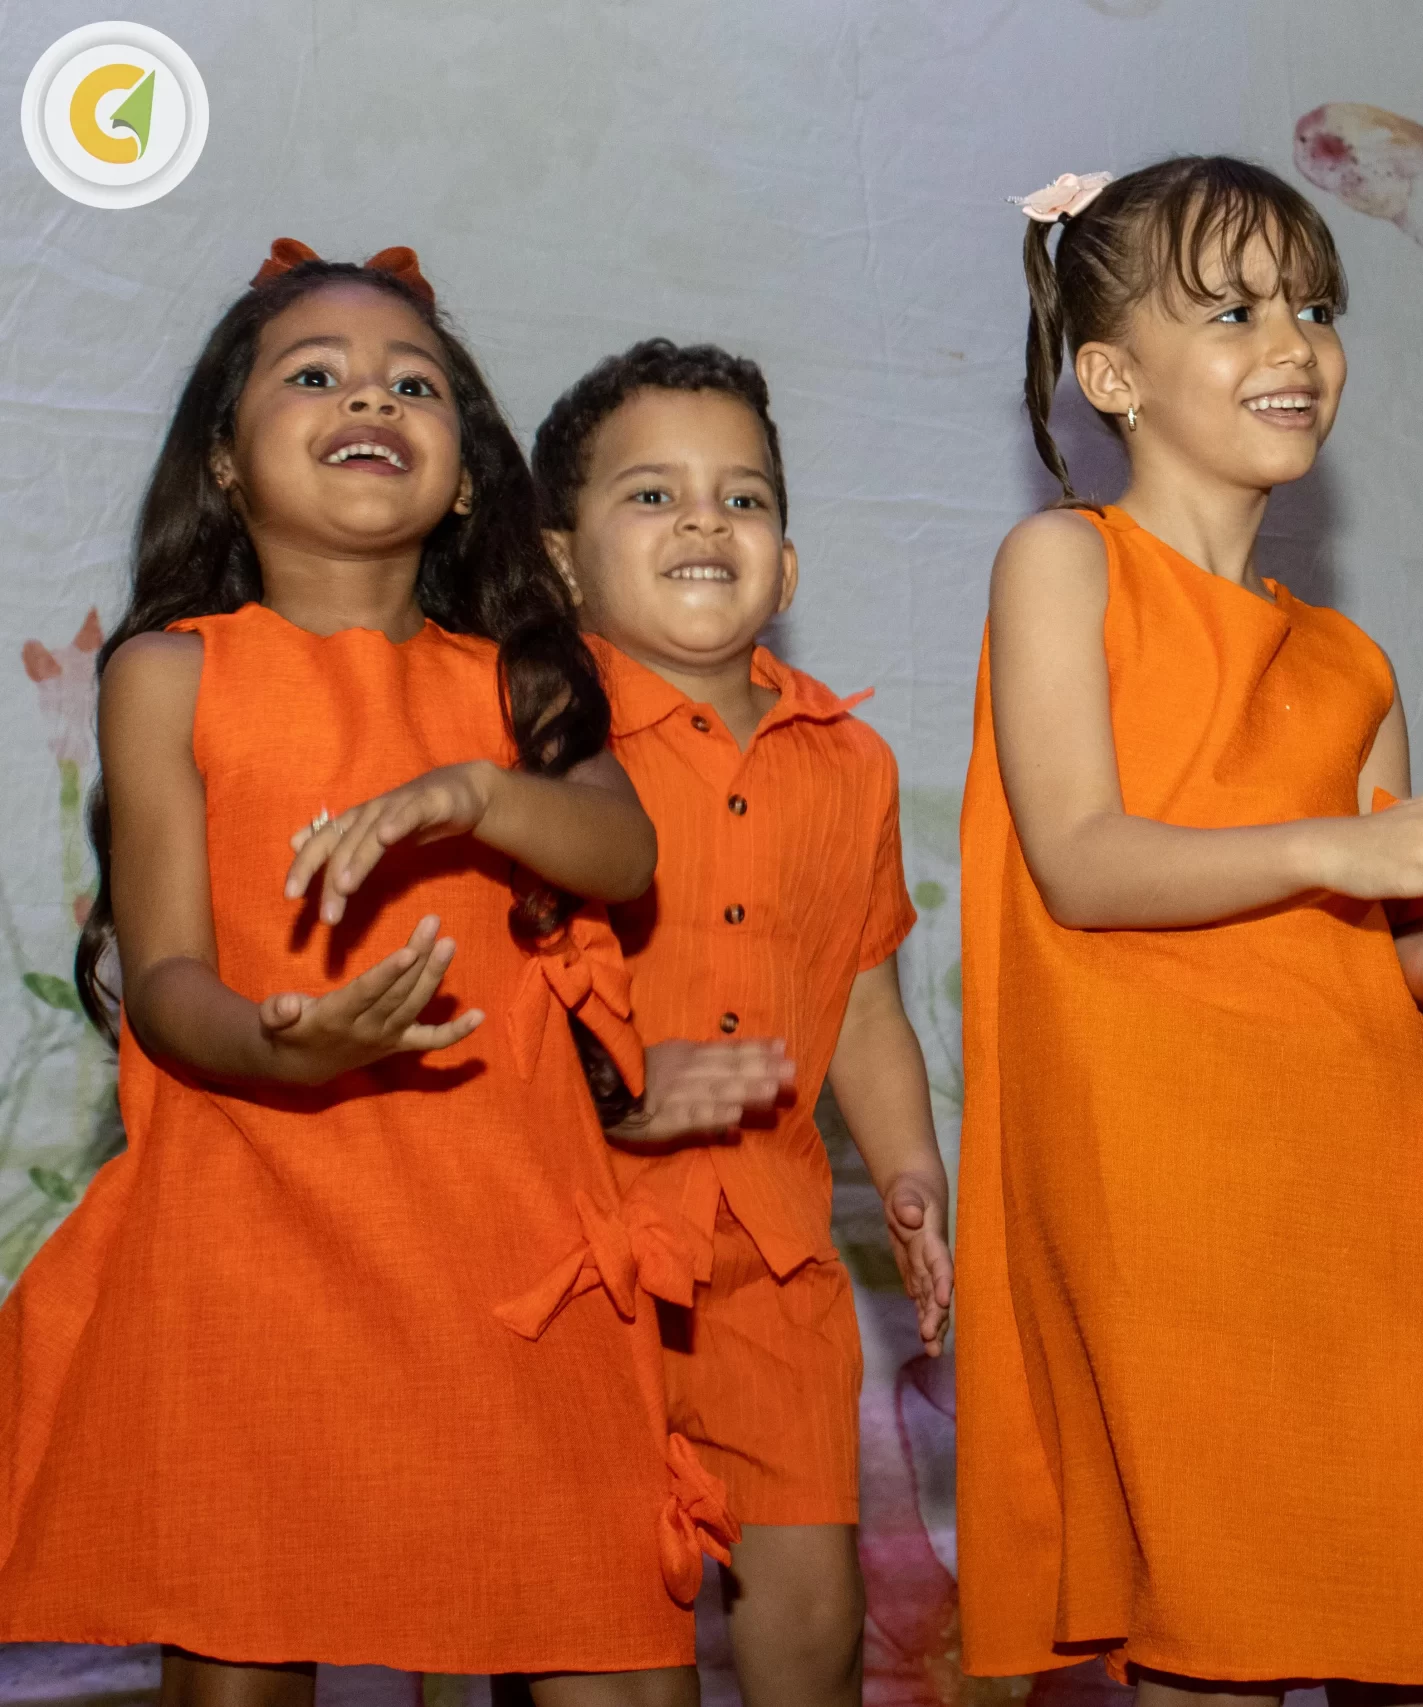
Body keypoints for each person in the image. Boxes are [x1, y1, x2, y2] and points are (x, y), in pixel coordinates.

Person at [0, 241, 733, 1701]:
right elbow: (168, 982)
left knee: (606, 1638)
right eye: (316, 375)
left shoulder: (522, 682)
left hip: (514, 1256)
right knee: (242, 1641)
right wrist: (289, 1046)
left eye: (415, 383)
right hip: (253, 1243)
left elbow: (621, 850)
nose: (371, 398)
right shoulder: (171, 672)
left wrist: (473, 793)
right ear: (224, 462)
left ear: (464, 481)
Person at [955, 156, 1423, 1704]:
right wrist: (1345, 842)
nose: (1294, 345)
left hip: (1367, 1183)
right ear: (1110, 375)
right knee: (1218, 1626)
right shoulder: (1064, 561)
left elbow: (1375, 939)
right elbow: (1085, 863)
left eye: (1315, 308)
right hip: (1170, 1192)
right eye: (1234, 311)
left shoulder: (1351, 660)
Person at [533, 338, 951, 1707]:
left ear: (788, 566)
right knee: (604, 1630)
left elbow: (866, 997)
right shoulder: (534, 750)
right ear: (558, 563)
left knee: (814, 1618)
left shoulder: (853, 762)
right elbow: (492, 994)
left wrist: (909, 1172)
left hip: (776, 1257)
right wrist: (613, 1088)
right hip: (576, 1259)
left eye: (744, 497)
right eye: (652, 494)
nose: (706, 521)